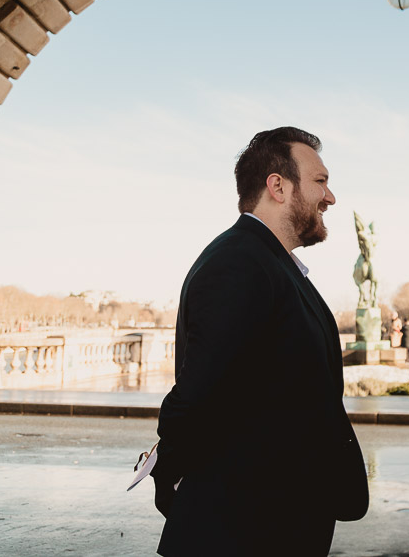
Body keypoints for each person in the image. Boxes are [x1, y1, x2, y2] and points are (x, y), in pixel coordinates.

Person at [151, 127, 368, 556]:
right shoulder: (241, 264)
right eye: (321, 181)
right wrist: (173, 477)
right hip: (246, 526)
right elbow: (195, 395)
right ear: (278, 186)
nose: (331, 197)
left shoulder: (265, 262)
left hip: (266, 518)